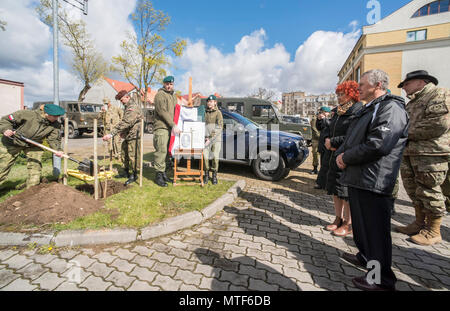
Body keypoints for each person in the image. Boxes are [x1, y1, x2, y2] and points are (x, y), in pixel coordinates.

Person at [336, 69, 409, 291]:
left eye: (363, 84)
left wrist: (346, 157)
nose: (358, 87)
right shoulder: (371, 108)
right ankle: (365, 258)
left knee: (376, 234)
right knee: (363, 228)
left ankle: (379, 279)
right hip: (361, 178)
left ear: (378, 85)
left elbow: (379, 143)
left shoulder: (391, 108)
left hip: (375, 181)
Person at [395, 70, 450, 246]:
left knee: (430, 190)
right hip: (410, 153)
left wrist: (404, 134)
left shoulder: (439, 94)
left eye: (406, 84)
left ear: (420, 82)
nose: (404, 87)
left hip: (430, 154)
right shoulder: (412, 102)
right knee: (414, 190)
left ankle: (433, 230)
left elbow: (439, 124)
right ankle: (419, 223)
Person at [324, 81, 362, 237]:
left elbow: (353, 135)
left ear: (351, 94)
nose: (339, 97)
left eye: (342, 94)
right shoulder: (338, 111)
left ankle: (349, 223)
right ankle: (338, 218)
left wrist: (333, 142)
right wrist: (327, 140)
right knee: (336, 189)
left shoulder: (357, 110)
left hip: (346, 155)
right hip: (333, 154)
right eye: (337, 94)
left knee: (346, 192)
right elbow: (328, 128)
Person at [0, 104, 65, 189]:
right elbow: (5, 120)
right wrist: (6, 129)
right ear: (46, 114)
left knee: (35, 167)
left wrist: (57, 150)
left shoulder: (55, 125)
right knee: (3, 167)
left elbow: (54, 139)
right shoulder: (27, 114)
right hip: (13, 142)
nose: (57, 118)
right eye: (55, 116)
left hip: (33, 144)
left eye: (58, 116)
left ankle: (31, 191)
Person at [102, 90, 143, 186]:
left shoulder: (132, 107)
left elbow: (126, 122)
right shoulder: (127, 106)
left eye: (122, 100)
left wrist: (111, 134)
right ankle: (126, 171)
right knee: (125, 153)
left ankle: (134, 174)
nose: (121, 102)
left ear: (127, 97)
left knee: (133, 155)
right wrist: (123, 133)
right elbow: (127, 123)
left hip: (134, 135)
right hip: (128, 134)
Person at [153, 76, 181, 187]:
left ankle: (163, 173)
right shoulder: (160, 95)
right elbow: (162, 111)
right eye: (167, 84)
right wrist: (173, 125)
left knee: (167, 152)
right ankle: (158, 176)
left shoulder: (173, 97)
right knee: (161, 151)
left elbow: (177, 111)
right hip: (162, 127)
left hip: (170, 128)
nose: (169, 86)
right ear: (164, 84)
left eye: (171, 84)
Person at [203, 95, 223, 185]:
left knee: (215, 157)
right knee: (205, 157)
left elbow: (219, 127)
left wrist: (210, 138)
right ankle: (206, 175)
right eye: (208, 101)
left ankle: (214, 175)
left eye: (211, 101)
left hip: (215, 139)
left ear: (215, 102)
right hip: (205, 139)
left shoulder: (218, 113)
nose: (209, 103)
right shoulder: (204, 112)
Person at [315, 106, 332, 189]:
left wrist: (324, 119)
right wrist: (318, 119)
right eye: (321, 112)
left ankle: (325, 183)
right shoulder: (323, 119)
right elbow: (319, 128)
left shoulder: (332, 118)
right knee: (323, 164)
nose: (322, 113)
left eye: (324, 112)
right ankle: (322, 182)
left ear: (328, 112)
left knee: (327, 165)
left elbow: (330, 125)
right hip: (322, 144)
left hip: (329, 145)